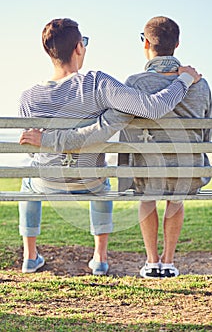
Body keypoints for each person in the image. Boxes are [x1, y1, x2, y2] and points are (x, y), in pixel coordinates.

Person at [18, 17, 201, 275]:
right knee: (99, 176)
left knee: (28, 179)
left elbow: (34, 146)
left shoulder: (28, 97)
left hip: (47, 182)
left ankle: (30, 255)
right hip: (89, 181)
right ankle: (100, 258)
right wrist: (183, 80)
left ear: (49, 51)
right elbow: (153, 107)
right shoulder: (97, 83)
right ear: (79, 47)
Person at [117, 16, 212, 278]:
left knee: (147, 193)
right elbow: (206, 133)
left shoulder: (135, 83)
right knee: (176, 193)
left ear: (146, 42)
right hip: (188, 172)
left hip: (147, 172)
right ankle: (168, 261)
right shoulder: (200, 84)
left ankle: (151, 261)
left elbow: (127, 134)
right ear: (177, 44)